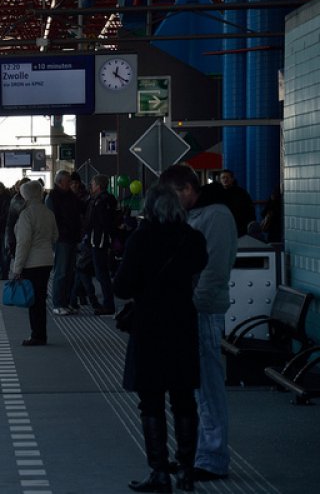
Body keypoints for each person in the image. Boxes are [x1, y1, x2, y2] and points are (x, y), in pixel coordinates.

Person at [114, 184, 208, 492]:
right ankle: (187, 472)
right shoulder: (192, 238)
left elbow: (122, 287)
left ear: (150, 208)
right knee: (184, 401)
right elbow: (200, 265)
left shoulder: (141, 238)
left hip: (149, 327)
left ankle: (159, 472)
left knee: (151, 402)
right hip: (182, 323)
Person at [160, 165, 238, 483]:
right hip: (191, 310)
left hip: (204, 311)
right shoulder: (198, 215)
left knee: (209, 387)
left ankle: (213, 457)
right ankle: (197, 453)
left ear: (188, 190)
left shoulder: (215, 216)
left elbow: (215, 268)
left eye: (173, 195)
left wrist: (196, 303)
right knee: (195, 386)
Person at [12, 181, 58, 346]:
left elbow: (23, 243)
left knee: (33, 301)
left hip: (31, 263)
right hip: (46, 261)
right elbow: (55, 236)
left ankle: (37, 335)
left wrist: (17, 268)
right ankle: (40, 334)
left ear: (27, 195)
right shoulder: (48, 212)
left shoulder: (26, 214)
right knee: (40, 299)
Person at [45, 170, 82, 315]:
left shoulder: (71, 196)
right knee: (61, 271)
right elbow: (51, 220)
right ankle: (58, 303)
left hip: (72, 237)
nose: (71, 183)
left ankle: (66, 302)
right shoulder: (52, 198)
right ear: (60, 182)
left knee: (70, 272)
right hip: (61, 239)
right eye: (68, 181)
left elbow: (79, 211)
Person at [85, 174, 118, 315]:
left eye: (92, 184)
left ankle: (108, 304)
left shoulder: (100, 201)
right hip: (101, 240)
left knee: (101, 273)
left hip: (99, 241)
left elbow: (101, 222)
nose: (90, 187)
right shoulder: (109, 199)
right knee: (97, 271)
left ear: (98, 186)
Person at [218, 169, 256, 237]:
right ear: (220, 180)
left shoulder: (241, 193)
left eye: (227, 177)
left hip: (239, 226)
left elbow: (250, 209)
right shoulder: (217, 194)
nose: (225, 180)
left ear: (232, 179)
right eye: (223, 178)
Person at [5, 178, 30, 269]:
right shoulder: (17, 201)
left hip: (26, 238)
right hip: (18, 238)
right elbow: (11, 223)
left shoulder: (19, 200)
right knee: (21, 266)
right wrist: (10, 241)